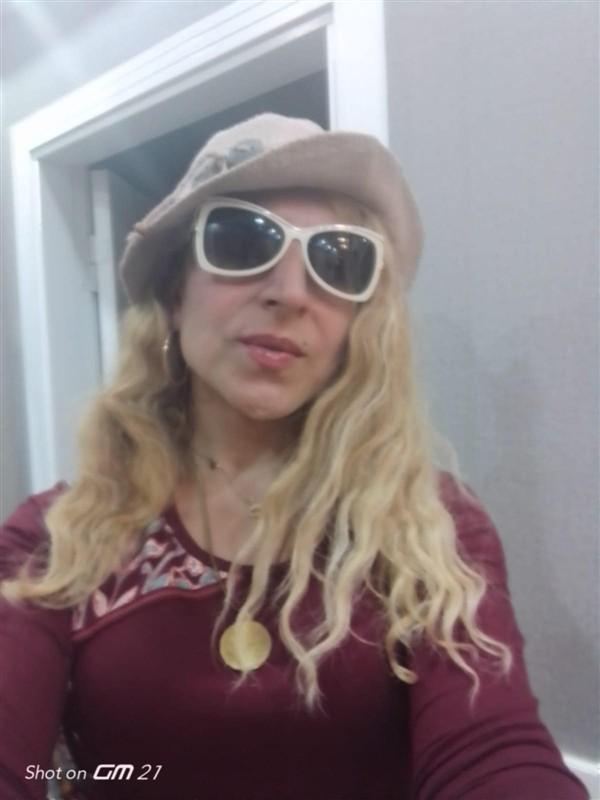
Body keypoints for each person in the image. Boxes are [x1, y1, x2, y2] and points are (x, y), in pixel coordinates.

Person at [0, 113, 589, 800]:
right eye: (241, 241)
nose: (289, 292)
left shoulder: (430, 527)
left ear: (358, 324)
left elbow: (492, 751)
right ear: (175, 293)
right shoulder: (55, 542)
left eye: (338, 262)